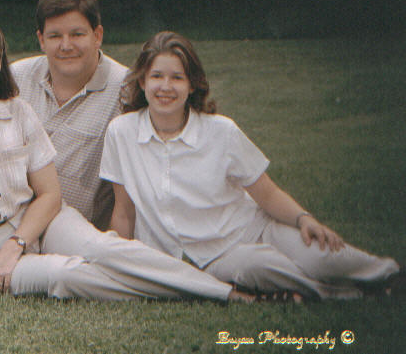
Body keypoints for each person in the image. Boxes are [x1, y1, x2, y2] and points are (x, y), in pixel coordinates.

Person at [0, 13, 253, 303]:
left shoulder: (17, 111)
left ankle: (225, 291)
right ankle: (209, 292)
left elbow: (50, 194)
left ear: (1, 65)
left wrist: (17, 243)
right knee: (67, 275)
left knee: (105, 249)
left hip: (43, 221)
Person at [100, 31, 400, 299]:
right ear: (142, 81)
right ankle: (347, 294)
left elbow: (267, 194)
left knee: (321, 255)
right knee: (266, 268)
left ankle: (389, 274)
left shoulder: (221, 131)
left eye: (177, 78)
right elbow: (124, 211)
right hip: (216, 256)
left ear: (192, 85)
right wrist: (125, 263)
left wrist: (304, 219)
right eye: (156, 76)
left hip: (254, 228)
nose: (166, 86)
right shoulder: (121, 133)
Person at [11, 0, 127, 230]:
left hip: (77, 231)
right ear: (41, 39)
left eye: (77, 34)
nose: (66, 46)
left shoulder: (125, 90)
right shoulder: (16, 79)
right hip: (10, 222)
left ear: (97, 36)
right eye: (55, 36)